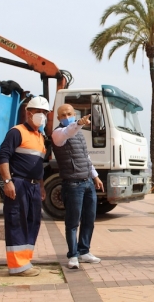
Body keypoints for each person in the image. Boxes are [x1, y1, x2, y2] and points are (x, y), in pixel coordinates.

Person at [0, 96, 50, 277]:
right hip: (18, 183)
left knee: (32, 223)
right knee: (16, 222)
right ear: (29, 113)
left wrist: (41, 187)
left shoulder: (41, 137)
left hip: (34, 187)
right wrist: (7, 181)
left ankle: (25, 262)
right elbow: (3, 156)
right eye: (39, 112)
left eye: (45, 113)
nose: (42, 116)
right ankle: (17, 266)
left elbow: (38, 166)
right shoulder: (17, 132)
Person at [51, 104, 104, 269]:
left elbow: (85, 157)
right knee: (73, 222)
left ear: (74, 114)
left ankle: (84, 251)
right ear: (59, 118)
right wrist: (79, 123)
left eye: (69, 113)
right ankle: (73, 255)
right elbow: (68, 132)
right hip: (72, 184)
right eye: (63, 115)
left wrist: (95, 176)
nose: (66, 116)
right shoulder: (58, 134)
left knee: (89, 219)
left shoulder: (79, 134)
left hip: (87, 182)